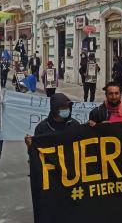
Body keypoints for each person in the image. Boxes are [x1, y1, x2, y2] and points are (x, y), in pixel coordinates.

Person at [24, 93, 80, 223]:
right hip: (52, 177)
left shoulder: (75, 125)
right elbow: (36, 155)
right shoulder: (42, 128)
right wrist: (30, 147)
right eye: (63, 107)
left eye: (68, 106)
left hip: (71, 175)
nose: (67, 110)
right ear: (54, 109)